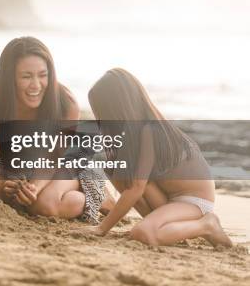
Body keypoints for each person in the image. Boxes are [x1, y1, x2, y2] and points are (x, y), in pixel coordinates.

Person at [78, 68, 232, 247]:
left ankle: (206, 225)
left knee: (142, 233)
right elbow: (135, 184)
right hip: (170, 198)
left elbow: (136, 188)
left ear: (119, 108)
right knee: (115, 168)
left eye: (103, 113)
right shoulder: (134, 134)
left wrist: (101, 229)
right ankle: (157, 224)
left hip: (194, 202)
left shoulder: (151, 129)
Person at [0, 36, 110, 221]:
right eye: (26, 76)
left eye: (42, 75)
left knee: (44, 205)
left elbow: (54, 158)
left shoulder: (67, 103)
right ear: (10, 78)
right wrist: (15, 182)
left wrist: (34, 188)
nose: (36, 85)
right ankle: (69, 195)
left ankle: (94, 192)